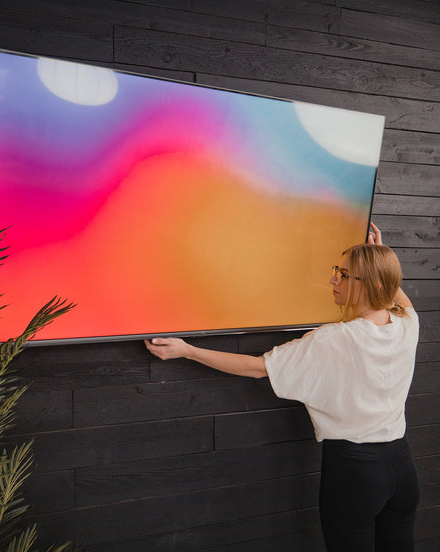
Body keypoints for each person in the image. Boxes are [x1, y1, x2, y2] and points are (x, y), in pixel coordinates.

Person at [144, 222, 420, 551]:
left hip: (355, 474)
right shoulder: (406, 324)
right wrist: (378, 255)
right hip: (402, 469)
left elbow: (257, 367)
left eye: (344, 275)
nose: (333, 279)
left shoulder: (335, 339)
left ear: (370, 283)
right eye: (338, 270)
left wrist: (188, 350)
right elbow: (395, 294)